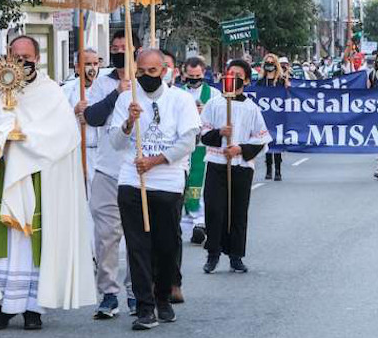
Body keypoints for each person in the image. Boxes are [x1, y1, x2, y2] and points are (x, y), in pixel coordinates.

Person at [0, 35, 95, 331]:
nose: (21, 62)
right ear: (7, 56)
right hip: (3, 176)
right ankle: (3, 307)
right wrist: (2, 132)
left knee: (33, 244)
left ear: (36, 59)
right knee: (4, 243)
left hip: (39, 180)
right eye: (16, 56)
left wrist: (24, 136)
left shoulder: (50, 91)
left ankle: (33, 310)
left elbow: (64, 134)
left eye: (26, 57)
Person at [110, 49, 200, 330]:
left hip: (167, 182)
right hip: (132, 180)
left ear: (163, 71)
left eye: (152, 72)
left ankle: (162, 297)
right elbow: (115, 141)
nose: (146, 77)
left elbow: (188, 141)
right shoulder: (127, 99)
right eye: (141, 72)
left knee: (166, 245)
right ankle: (144, 308)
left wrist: (155, 161)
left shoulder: (181, 100)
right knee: (137, 247)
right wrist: (128, 123)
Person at [83, 30, 139, 318]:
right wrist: (118, 92)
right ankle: (108, 293)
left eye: (124, 47)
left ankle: (136, 290)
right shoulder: (102, 83)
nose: (119, 51)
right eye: (115, 47)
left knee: (137, 235)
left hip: (138, 170)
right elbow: (91, 117)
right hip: (106, 167)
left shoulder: (149, 83)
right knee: (106, 236)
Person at [200, 59, 270, 275]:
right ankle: (213, 253)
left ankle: (236, 255)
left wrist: (239, 149)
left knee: (238, 211)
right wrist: (220, 133)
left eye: (238, 74)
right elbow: (203, 133)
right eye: (230, 73)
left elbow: (262, 140)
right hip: (216, 164)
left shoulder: (252, 108)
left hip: (240, 167)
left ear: (246, 80)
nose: (233, 77)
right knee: (215, 209)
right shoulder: (214, 104)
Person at [181, 57, 221, 245]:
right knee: (184, 183)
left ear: (203, 74)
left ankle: (200, 222)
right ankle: (186, 223)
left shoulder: (213, 94)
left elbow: (220, 118)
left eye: (197, 76)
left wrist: (204, 111)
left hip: (203, 146)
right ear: (184, 73)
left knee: (202, 184)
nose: (194, 80)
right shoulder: (177, 93)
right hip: (182, 144)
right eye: (191, 76)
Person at [68, 48, 101, 187]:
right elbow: (57, 121)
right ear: (77, 67)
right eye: (88, 64)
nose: (92, 68)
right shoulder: (67, 90)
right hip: (78, 152)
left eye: (95, 64)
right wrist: (73, 111)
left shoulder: (103, 89)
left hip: (99, 153)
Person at [256, 54, 286, 181]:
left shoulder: (281, 81)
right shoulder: (260, 82)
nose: (269, 64)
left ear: (276, 64)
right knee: (267, 142)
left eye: (271, 62)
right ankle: (269, 169)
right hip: (265, 116)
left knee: (277, 143)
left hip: (278, 116)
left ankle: (278, 170)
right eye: (267, 62)